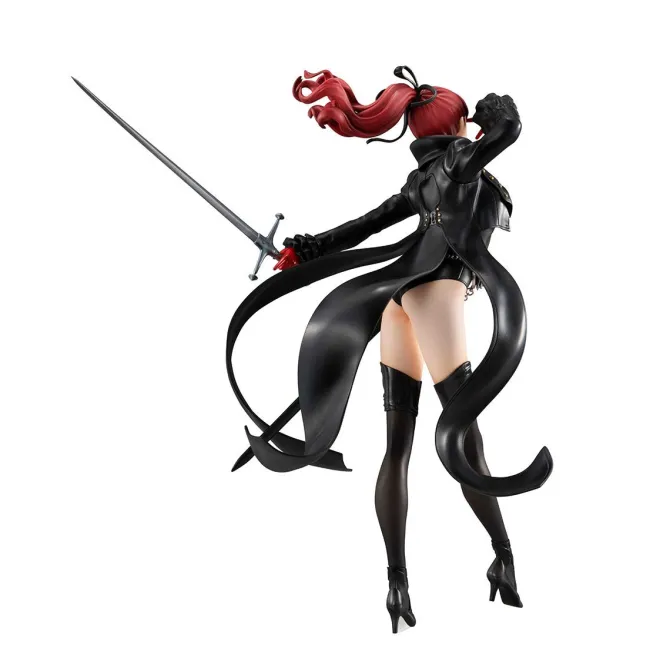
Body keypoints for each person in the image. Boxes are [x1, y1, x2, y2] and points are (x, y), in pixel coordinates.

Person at [227, 66, 553, 633]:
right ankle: (503, 555)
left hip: (397, 302)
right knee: (461, 433)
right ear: (456, 124)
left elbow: (363, 226)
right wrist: (495, 110)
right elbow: (508, 131)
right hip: (435, 294)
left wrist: (307, 249)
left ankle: (396, 581)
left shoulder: (421, 181)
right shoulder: (458, 161)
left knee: (398, 447)